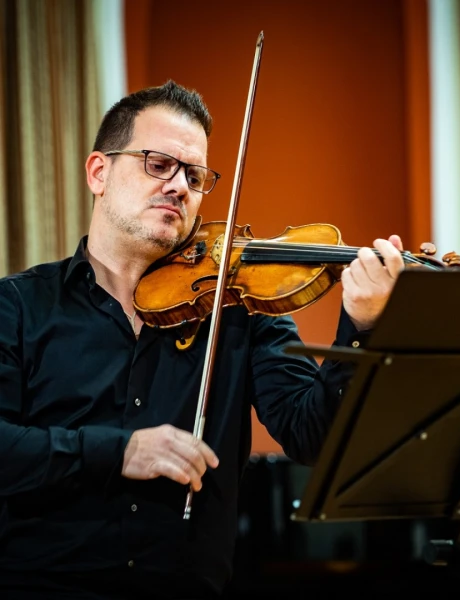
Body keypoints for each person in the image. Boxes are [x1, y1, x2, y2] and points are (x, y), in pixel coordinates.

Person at [0, 80, 404, 599]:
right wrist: (117, 451)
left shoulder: (237, 304)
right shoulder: (18, 306)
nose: (179, 186)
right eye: (158, 164)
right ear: (99, 173)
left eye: (194, 176)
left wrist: (362, 326)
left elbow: (312, 436)